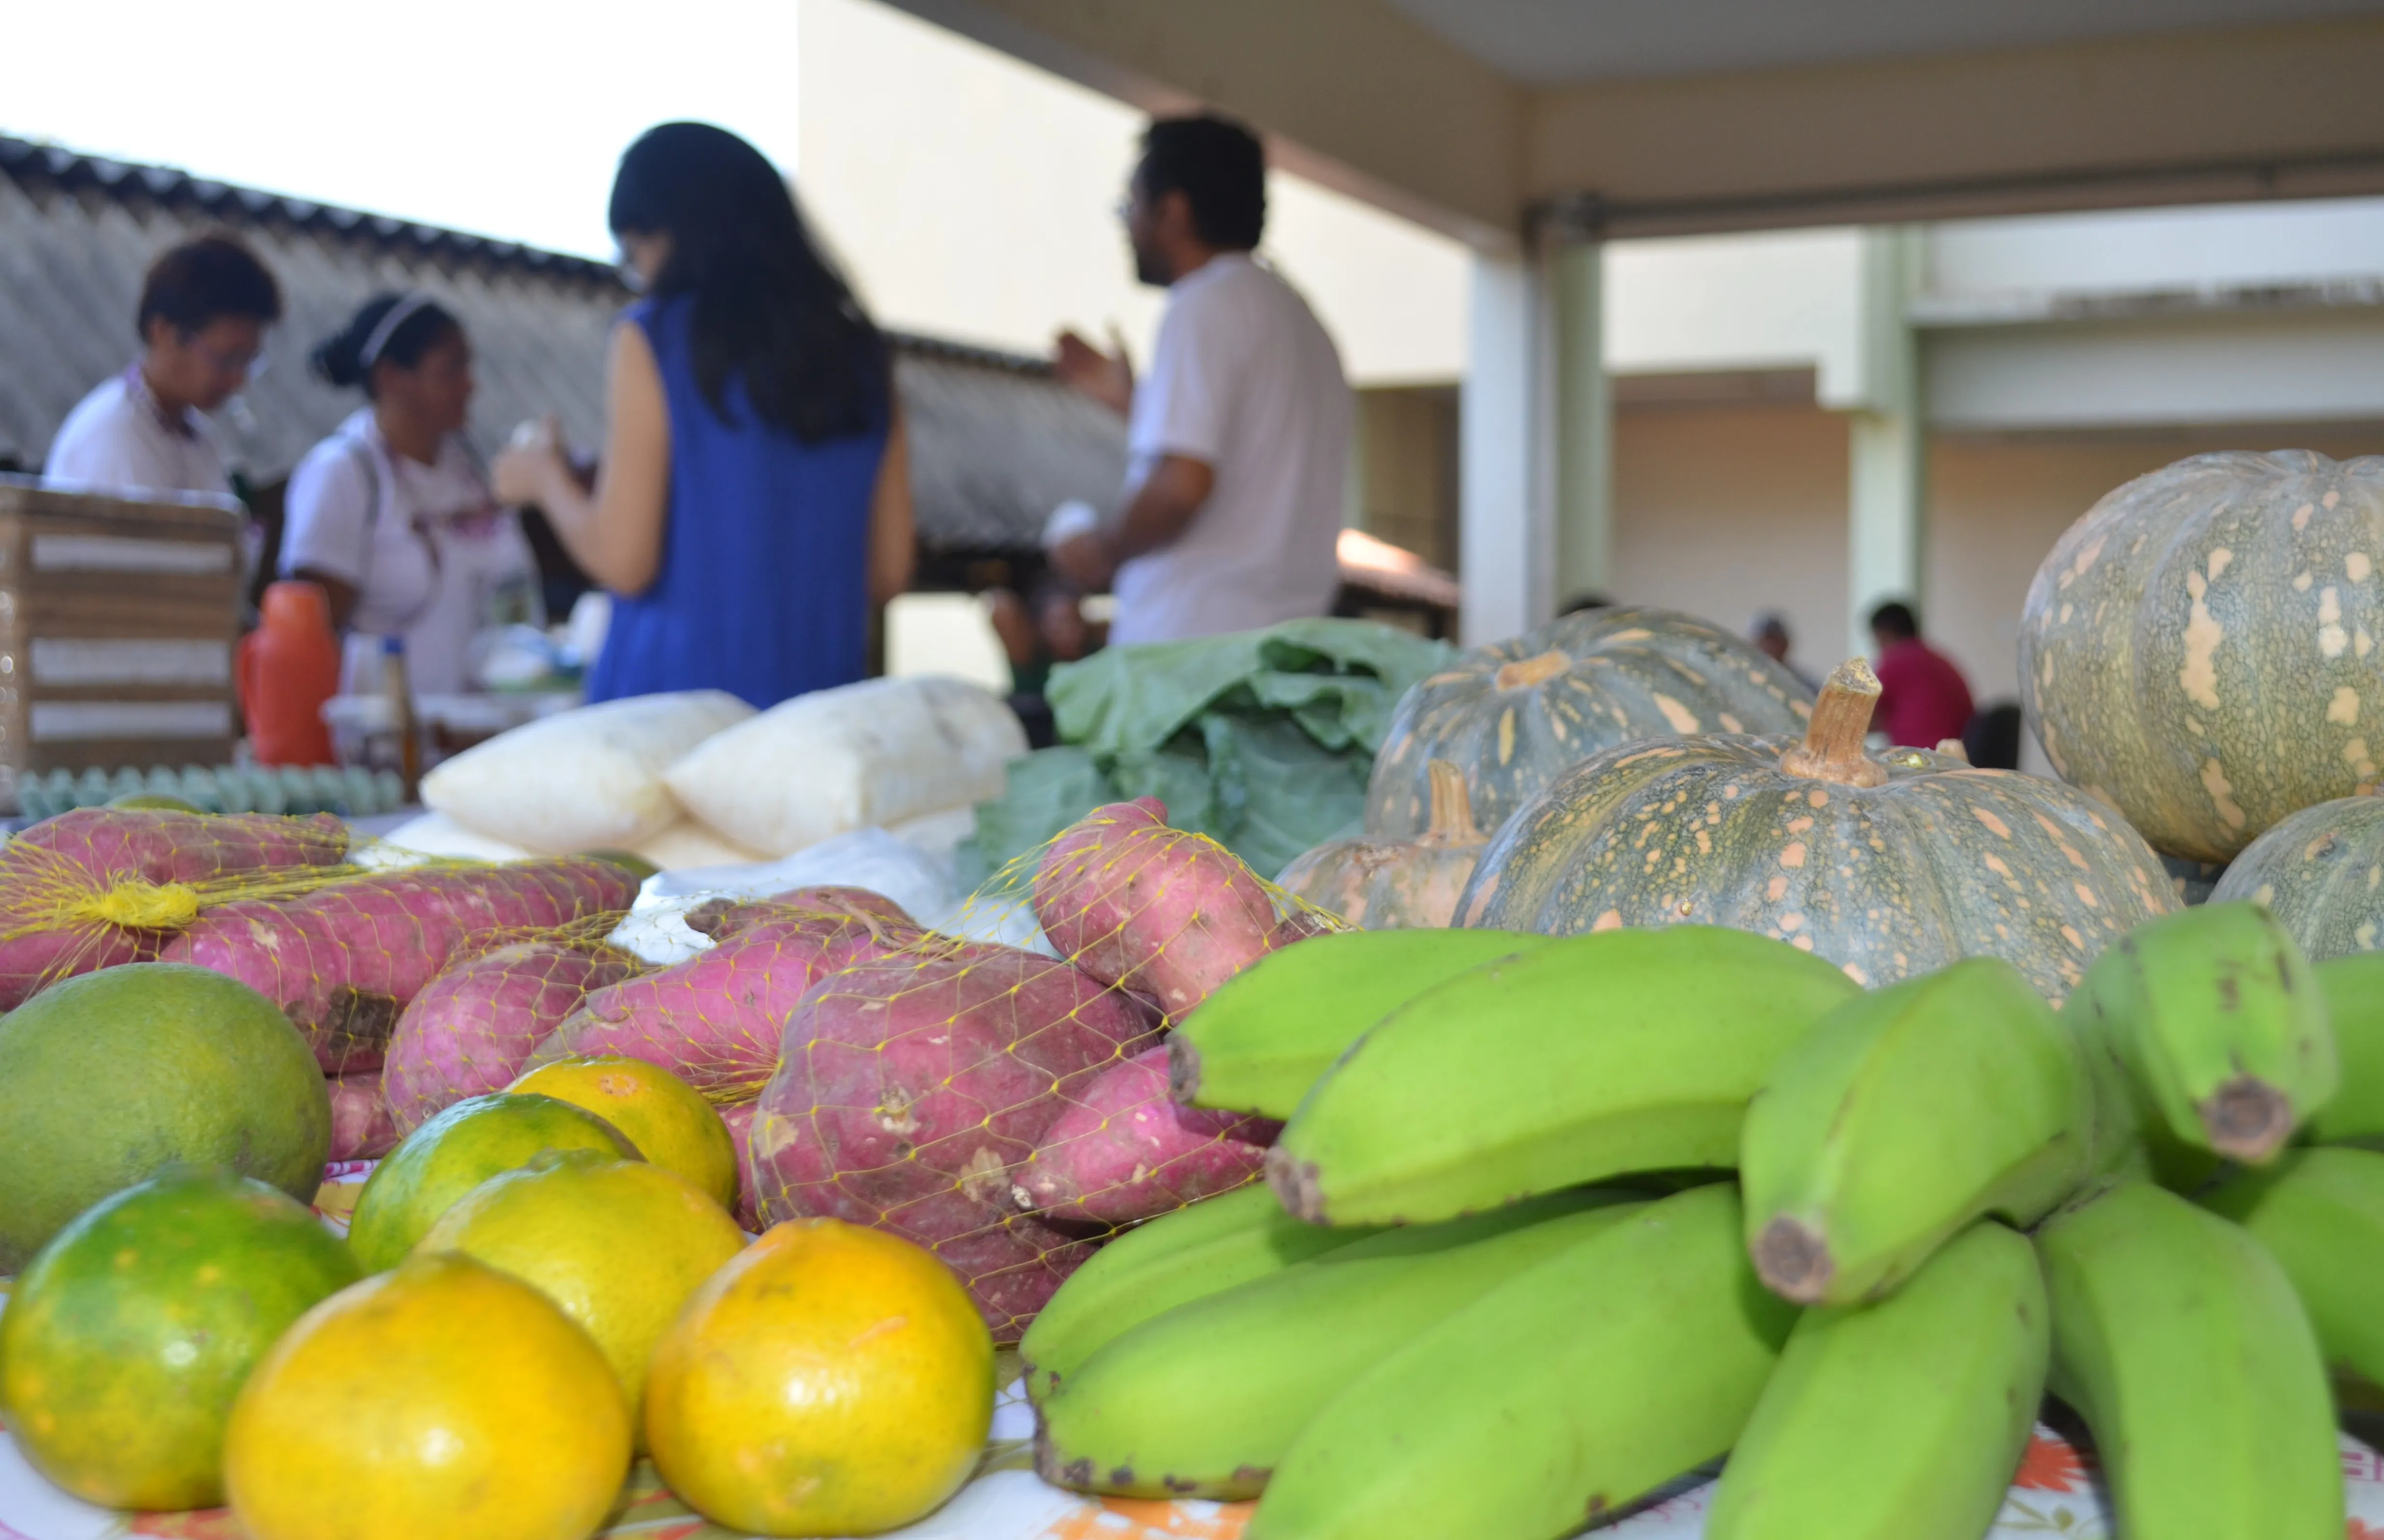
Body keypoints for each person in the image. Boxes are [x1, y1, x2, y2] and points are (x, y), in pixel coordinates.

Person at [492, 122, 914, 708]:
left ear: (672, 232)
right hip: (814, 723)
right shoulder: (863, 357)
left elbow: (625, 560)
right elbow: (887, 572)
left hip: (668, 721)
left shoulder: (654, 336)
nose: (638, 272)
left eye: (634, 250)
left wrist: (544, 478)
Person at [1047, 114, 1352, 645]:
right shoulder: (1305, 324)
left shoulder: (1203, 305)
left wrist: (1102, 552)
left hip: (1190, 659)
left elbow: (1182, 486)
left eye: (1130, 206)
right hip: (1279, 651)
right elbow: (1254, 468)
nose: (1126, 225)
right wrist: (1136, 407)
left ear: (1173, 211)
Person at [280, 295, 538, 697]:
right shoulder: (342, 474)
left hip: (476, 732)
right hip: (383, 743)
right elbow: (309, 637)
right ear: (391, 377)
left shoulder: (466, 470)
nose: (471, 384)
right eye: (452, 368)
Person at [44, 234, 281, 498]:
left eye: (249, 362)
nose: (238, 379)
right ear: (164, 333)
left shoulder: (198, 438)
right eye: (227, 359)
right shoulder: (112, 433)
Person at [1869, 601, 1976, 749]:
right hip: (1957, 755)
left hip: (1922, 761)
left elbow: (1864, 720)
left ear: (1884, 633)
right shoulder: (1938, 660)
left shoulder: (1896, 660)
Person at [1750, 611, 1821, 693]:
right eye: (1764, 642)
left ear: (1786, 645)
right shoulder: (1745, 680)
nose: (1770, 647)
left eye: (1775, 642)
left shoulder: (1804, 685)